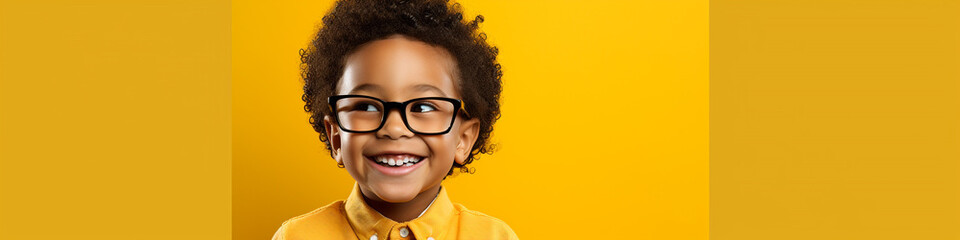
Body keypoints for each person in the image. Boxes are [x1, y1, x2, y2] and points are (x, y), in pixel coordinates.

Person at [272, 0, 516, 239]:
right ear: (335, 135)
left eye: (422, 106)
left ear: (463, 138)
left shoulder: (495, 237)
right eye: (366, 106)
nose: (394, 128)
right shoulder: (296, 236)